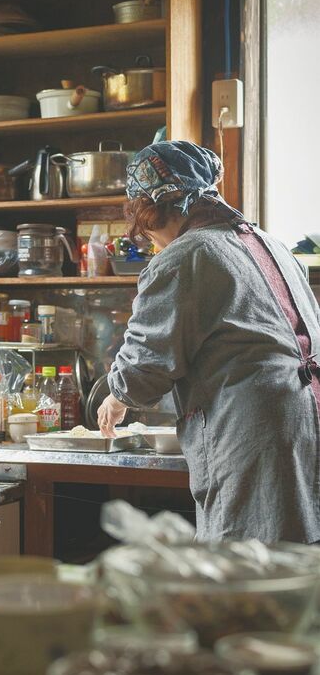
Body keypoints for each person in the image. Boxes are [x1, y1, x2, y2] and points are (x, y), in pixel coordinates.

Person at [97, 140, 320, 543]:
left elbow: (145, 365)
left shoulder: (185, 256)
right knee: (298, 562)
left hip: (253, 429)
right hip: (306, 417)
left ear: (149, 209)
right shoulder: (271, 245)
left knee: (245, 566)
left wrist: (117, 397)